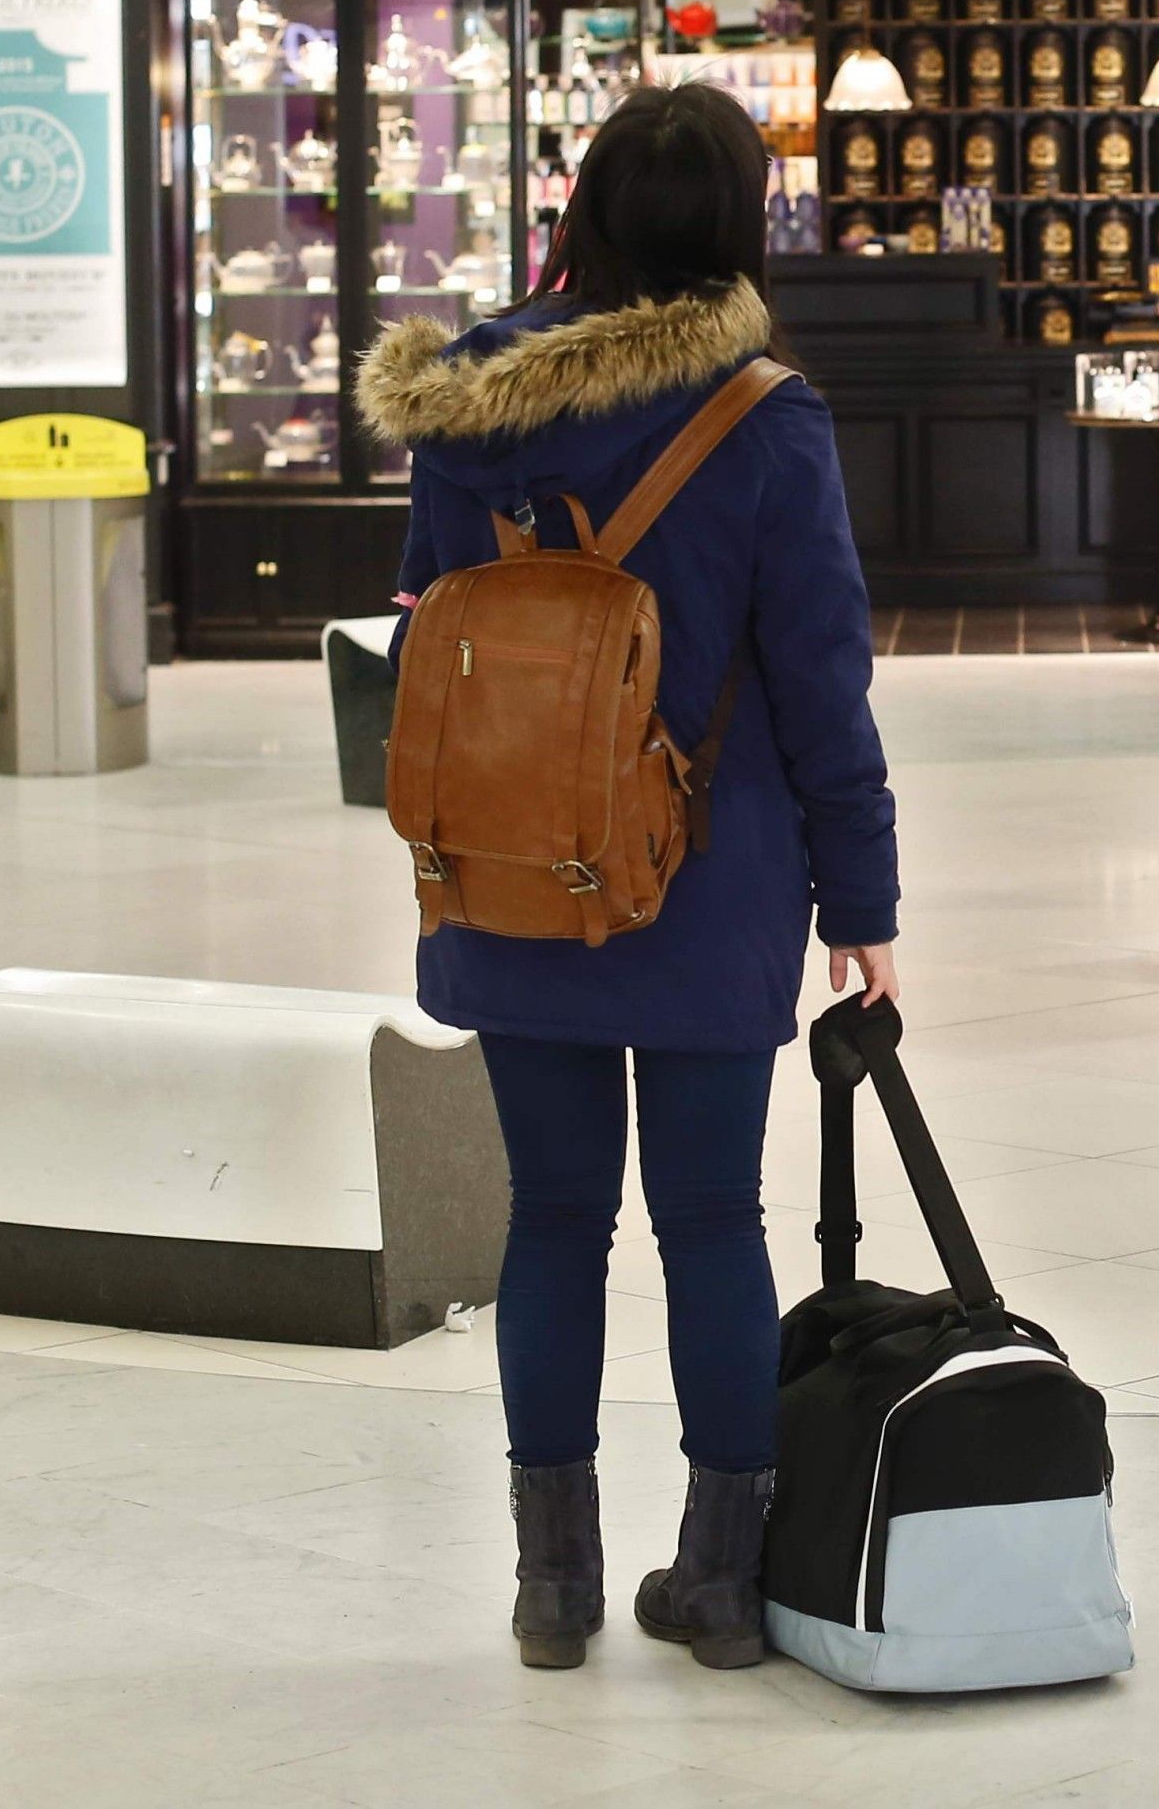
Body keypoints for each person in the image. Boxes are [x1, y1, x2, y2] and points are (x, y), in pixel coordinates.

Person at [357, 82, 901, 1674]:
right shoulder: (763, 414)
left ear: (583, 206)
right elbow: (821, 682)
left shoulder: (470, 396)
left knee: (550, 1220)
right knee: (715, 1221)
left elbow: (425, 628)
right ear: (742, 227)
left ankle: (551, 1584)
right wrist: (861, 903)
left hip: (515, 859)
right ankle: (721, 1581)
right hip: (712, 882)